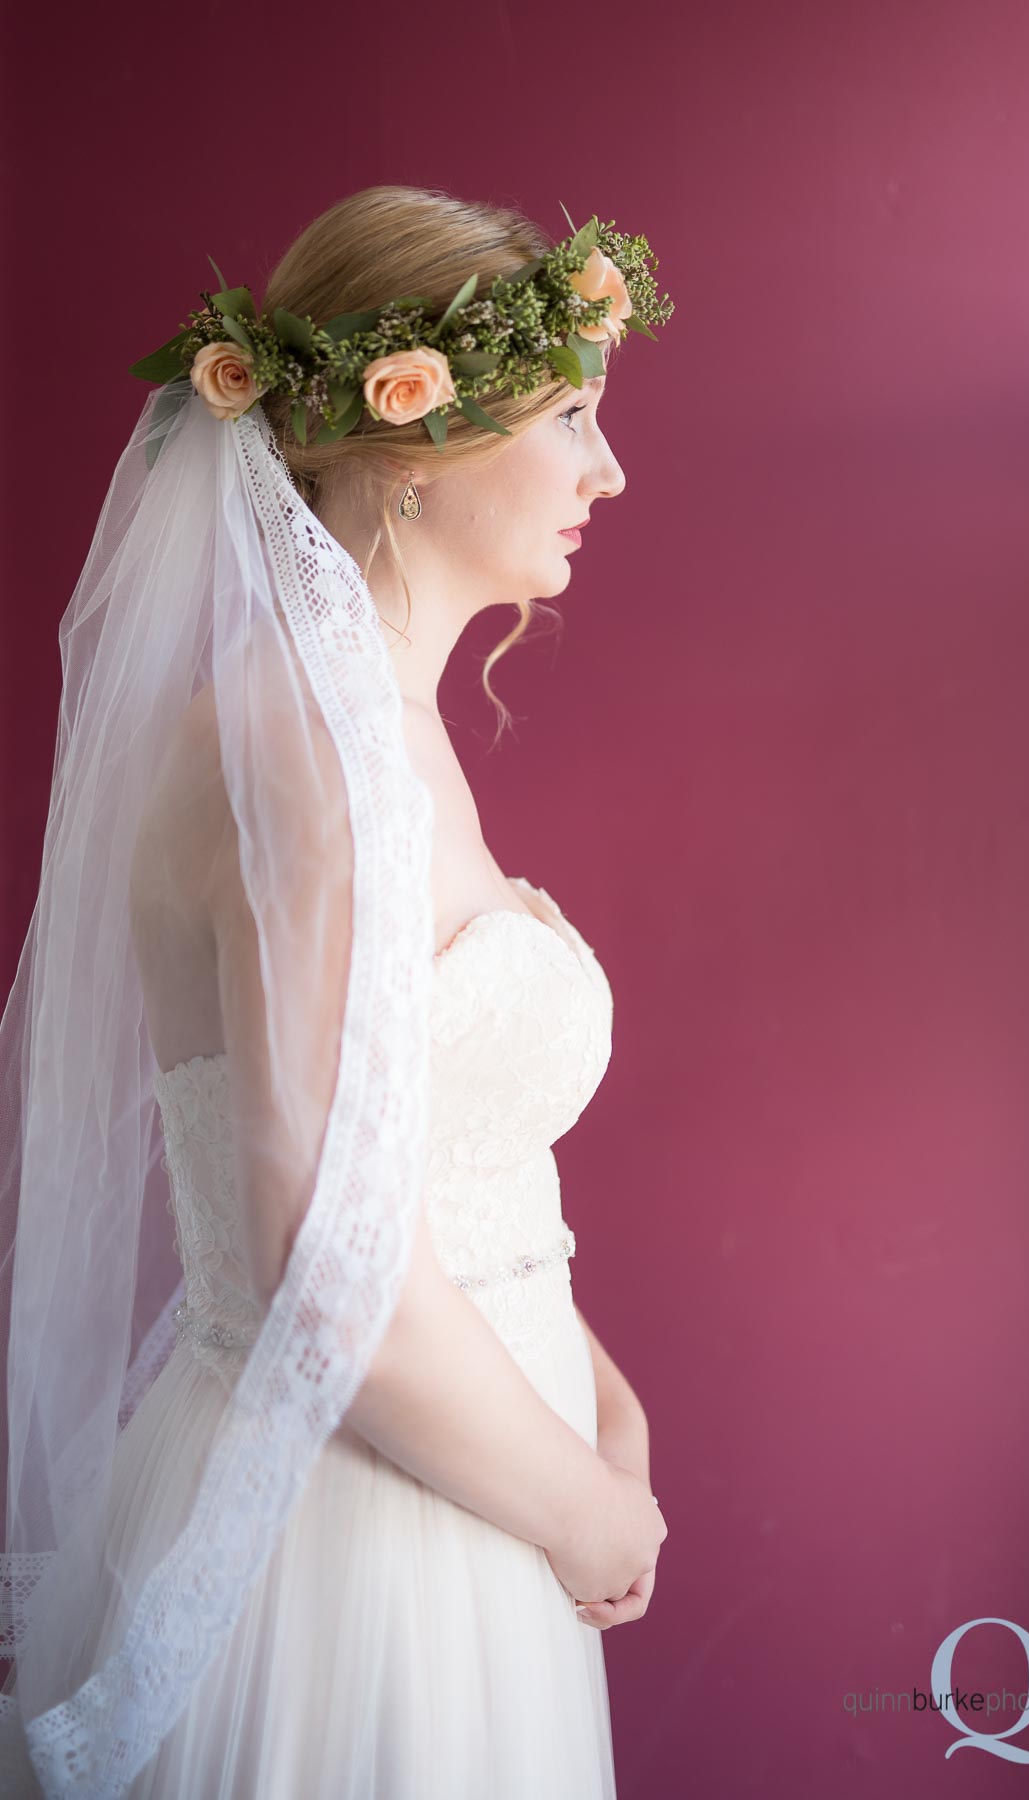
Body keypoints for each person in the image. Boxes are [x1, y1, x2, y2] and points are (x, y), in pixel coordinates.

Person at [0, 184, 674, 1796]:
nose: (608, 468)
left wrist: (603, 1401)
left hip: (477, 1488)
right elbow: (324, 1250)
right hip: (362, 1544)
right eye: (571, 414)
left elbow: (448, 1165)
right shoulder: (305, 745)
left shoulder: (372, 717)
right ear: (415, 432)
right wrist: (591, 1510)